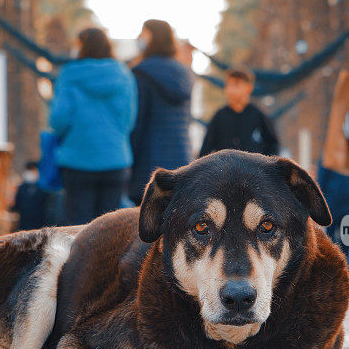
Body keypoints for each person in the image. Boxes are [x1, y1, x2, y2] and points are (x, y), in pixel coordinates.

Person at [49, 28, 137, 225]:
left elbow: (58, 120)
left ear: (82, 46)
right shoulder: (124, 75)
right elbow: (129, 121)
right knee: (111, 228)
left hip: (77, 161)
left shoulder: (69, 75)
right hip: (115, 159)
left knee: (78, 228)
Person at [128, 19, 193, 204]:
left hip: (149, 164)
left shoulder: (142, 73)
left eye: (143, 34)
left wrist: (130, 163)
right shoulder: (184, 74)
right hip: (181, 159)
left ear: (152, 38)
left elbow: (137, 122)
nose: (139, 38)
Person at [199, 66, 279, 158]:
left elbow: (273, 144)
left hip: (251, 169)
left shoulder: (257, 115)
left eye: (236, 84)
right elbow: (205, 149)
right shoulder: (220, 116)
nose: (231, 90)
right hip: (226, 169)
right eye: (228, 85)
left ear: (249, 88)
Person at [12, 161, 47, 231]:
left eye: (33, 170)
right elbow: (16, 206)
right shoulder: (21, 188)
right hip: (23, 224)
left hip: (38, 225)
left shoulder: (43, 189)